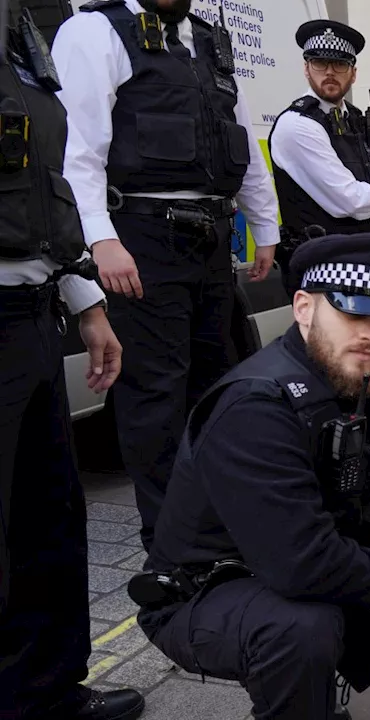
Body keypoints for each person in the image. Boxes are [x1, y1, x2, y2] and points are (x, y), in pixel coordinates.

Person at [135, 233, 370, 718]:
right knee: (302, 629)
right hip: (205, 592)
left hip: (312, 569)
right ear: (304, 308)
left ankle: (314, 687)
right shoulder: (255, 404)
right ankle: (299, 696)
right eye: (353, 314)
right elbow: (299, 561)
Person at [52, 0, 282, 550]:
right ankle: (170, 542)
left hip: (209, 238)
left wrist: (265, 223)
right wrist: (101, 238)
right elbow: (76, 150)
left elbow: (242, 143)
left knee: (216, 387)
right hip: (141, 236)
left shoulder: (209, 42)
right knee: (155, 399)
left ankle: (215, 522)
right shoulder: (97, 31)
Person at [0, 15, 141, 718]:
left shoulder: (21, 39)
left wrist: (84, 301)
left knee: (47, 518)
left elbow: (44, 186)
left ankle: (44, 694)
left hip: (31, 311)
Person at [267, 20, 370, 274]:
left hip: (358, 255)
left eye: (340, 64)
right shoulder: (297, 124)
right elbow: (350, 201)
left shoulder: (355, 117)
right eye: (319, 63)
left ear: (353, 73)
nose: (329, 72)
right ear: (306, 68)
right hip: (318, 264)